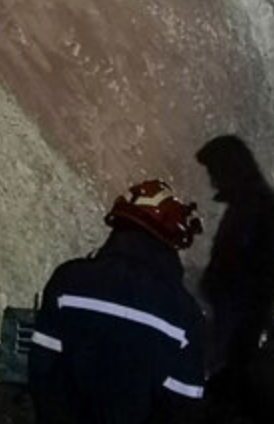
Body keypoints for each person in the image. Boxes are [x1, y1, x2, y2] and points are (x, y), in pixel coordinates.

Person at [27, 180, 207, 424]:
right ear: (172, 240)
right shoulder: (184, 317)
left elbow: (42, 372)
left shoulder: (68, 282)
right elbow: (183, 408)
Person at [194, 135, 274, 417]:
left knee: (229, 380)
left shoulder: (251, 207)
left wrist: (213, 283)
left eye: (214, 172)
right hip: (241, 311)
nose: (212, 181)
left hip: (238, 313)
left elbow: (238, 264)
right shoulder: (255, 203)